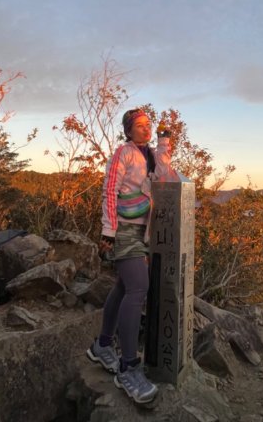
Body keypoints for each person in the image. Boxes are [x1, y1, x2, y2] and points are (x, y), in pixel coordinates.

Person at [86, 108, 176, 404]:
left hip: (143, 231)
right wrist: (108, 231)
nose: (145, 129)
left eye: (148, 125)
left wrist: (164, 145)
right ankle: (127, 366)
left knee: (124, 287)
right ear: (128, 130)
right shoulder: (123, 153)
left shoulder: (149, 153)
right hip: (123, 229)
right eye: (139, 125)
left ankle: (102, 345)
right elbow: (110, 190)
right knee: (138, 287)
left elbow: (165, 175)